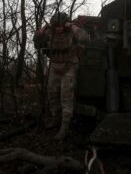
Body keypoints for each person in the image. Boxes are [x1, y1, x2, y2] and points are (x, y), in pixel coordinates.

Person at [34, 12, 89, 140]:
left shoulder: (71, 32)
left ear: (65, 25)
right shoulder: (50, 33)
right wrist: (43, 30)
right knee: (52, 93)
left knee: (66, 96)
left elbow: (85, 38)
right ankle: (55, 119)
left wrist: (72, 26)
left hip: (69, 65)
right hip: (54, 66)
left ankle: (64, 126)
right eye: (56, 26)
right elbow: (36, 41)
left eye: (61, 26)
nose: (58, 29)